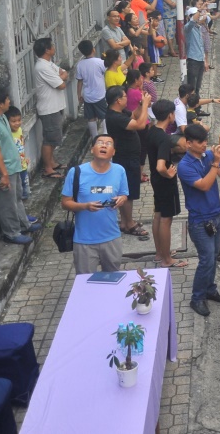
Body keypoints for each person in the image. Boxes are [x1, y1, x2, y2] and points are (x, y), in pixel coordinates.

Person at [177, 123, 220, 317]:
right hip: (199, 221)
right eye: (200, 142)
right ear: (189, 143)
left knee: (214, 255)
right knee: (206, 259)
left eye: (205, 141)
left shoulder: (208, 156)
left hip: (215, 216)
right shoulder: (184, 166)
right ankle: (197, 297)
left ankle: (210, 288)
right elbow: (204, 186)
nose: (204, 145)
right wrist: (216, 162)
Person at [60, 134, 129, 274]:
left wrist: (122, 199)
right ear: (92, 149)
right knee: (85, 282)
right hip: (84, 240)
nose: (104, 145)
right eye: (100, 142)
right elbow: (65, 202)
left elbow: (124, 194)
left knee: (112, 279)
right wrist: (84, 206)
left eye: (108, 143)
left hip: (111, 237)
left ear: (114, 152)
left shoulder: (119, 171)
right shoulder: (76, 172)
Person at [0, 88, 37, 245]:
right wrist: (4, 174)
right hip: (4, 170)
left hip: (14, 167)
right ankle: (11, 233)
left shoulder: (2, 118)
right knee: (7, 203)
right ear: (0, 104)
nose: (9, 102)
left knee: (17, 197)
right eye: (6, 99)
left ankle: (23, 223)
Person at [104, 84, 150, 242]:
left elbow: (134, 116)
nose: (127, 98)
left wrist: (140, 104)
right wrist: (145, 107)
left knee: (126, 190)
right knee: (127, 192)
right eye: (124, 97)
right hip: (126, 157)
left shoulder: (119, 112)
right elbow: (140, 124)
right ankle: (129, 224)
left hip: (129, 156)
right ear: (118, 100)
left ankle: (124, 222)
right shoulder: (114, 117)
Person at [148, 99, 188, 269]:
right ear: (171, 115)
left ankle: (160, 253)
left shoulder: (151, 131)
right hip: (164, 181)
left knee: (158, 214)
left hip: (155, 180)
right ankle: (167, 259)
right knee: (166, 219)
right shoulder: (164, 138)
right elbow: (160, 165)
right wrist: (169, 172)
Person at [32, 36, 68, 178]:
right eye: (52, 45)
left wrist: (62, 76)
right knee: (49, 139)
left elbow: (64, 72)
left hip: (55, 105)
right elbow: (61, 84)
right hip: (49, 108)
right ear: (47, 49)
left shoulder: (48, 63)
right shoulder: (42, 67)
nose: (54, 47)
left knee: (54, 138)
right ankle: (48, 168)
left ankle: (52, 162)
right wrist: (62, 77)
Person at [75, 39, 109, 137]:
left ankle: (94, 138)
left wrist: (79, 95)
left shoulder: (80, 65)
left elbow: (79, 81)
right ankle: (106, 134)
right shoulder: (100, 62)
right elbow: (106, 72)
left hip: (88, 96)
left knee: (91, 118)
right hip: (100, 94)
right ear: (93, 49)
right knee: (104, 116)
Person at [6, 106, 30, 200]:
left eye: (19, 120)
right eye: (13, 121)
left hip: (23, 164)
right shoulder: (8, 135)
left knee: (25, 185)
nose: (17, 123)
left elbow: (21, 145)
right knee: (18, 188)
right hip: (15, 167)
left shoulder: (19, 130)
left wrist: (25, 158)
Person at [184, 5, 207, 94]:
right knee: (192, 87)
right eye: (195, 14)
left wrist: (205, 60)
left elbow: (201, 46)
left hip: (200, 59)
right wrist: (199, 10)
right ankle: (192, 106)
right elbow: (192, 21)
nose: (198, 16)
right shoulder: (188, 28)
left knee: (198, 86)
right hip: (193, 60)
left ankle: (197, 106)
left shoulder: (199, 28)